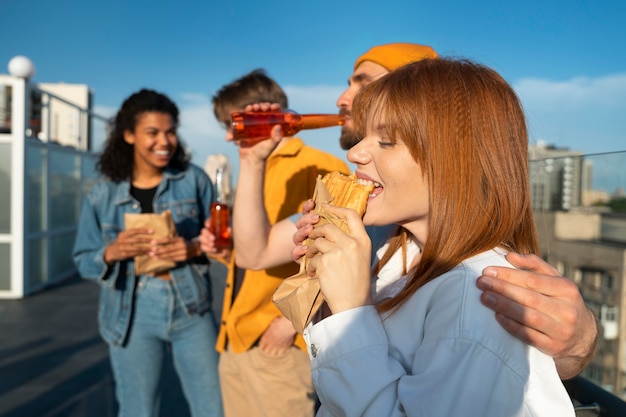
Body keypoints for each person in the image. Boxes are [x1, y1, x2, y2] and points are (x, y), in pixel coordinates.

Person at [217, 42, 598, 380]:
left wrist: (576, 344)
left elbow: (483, 343)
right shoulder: (368, 206)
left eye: (362, 82)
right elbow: (255, 252)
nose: (341, 98)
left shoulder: (472, 286)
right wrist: (252, 162)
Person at [301, 57, 575, 416]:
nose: (354, 153)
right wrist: (328, 291)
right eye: (364, 135)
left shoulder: (475, 299)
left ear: (454, 160)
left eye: (385, 141)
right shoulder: (398, 253)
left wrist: (351, 312)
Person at [201, 69, 350, 417]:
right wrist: (227, 254)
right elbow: (259, 253)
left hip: (277, 343)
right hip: (235, 335)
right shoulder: (254, 164)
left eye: (231, 124)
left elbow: (341, 257)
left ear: (257, 115)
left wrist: (289, 324)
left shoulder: (322, 166)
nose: (227, 137)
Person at [72, 89, 223, 417]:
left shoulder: (193, 180)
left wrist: (193, 246)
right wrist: (111, 252)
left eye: (170, 131)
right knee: (137, 409)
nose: (164, 141)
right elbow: (83, 258)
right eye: (152, 133)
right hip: (131, 311)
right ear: (128, 135)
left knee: (214, 407)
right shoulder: (102, 194)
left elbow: (222, 242)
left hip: (191, 306)